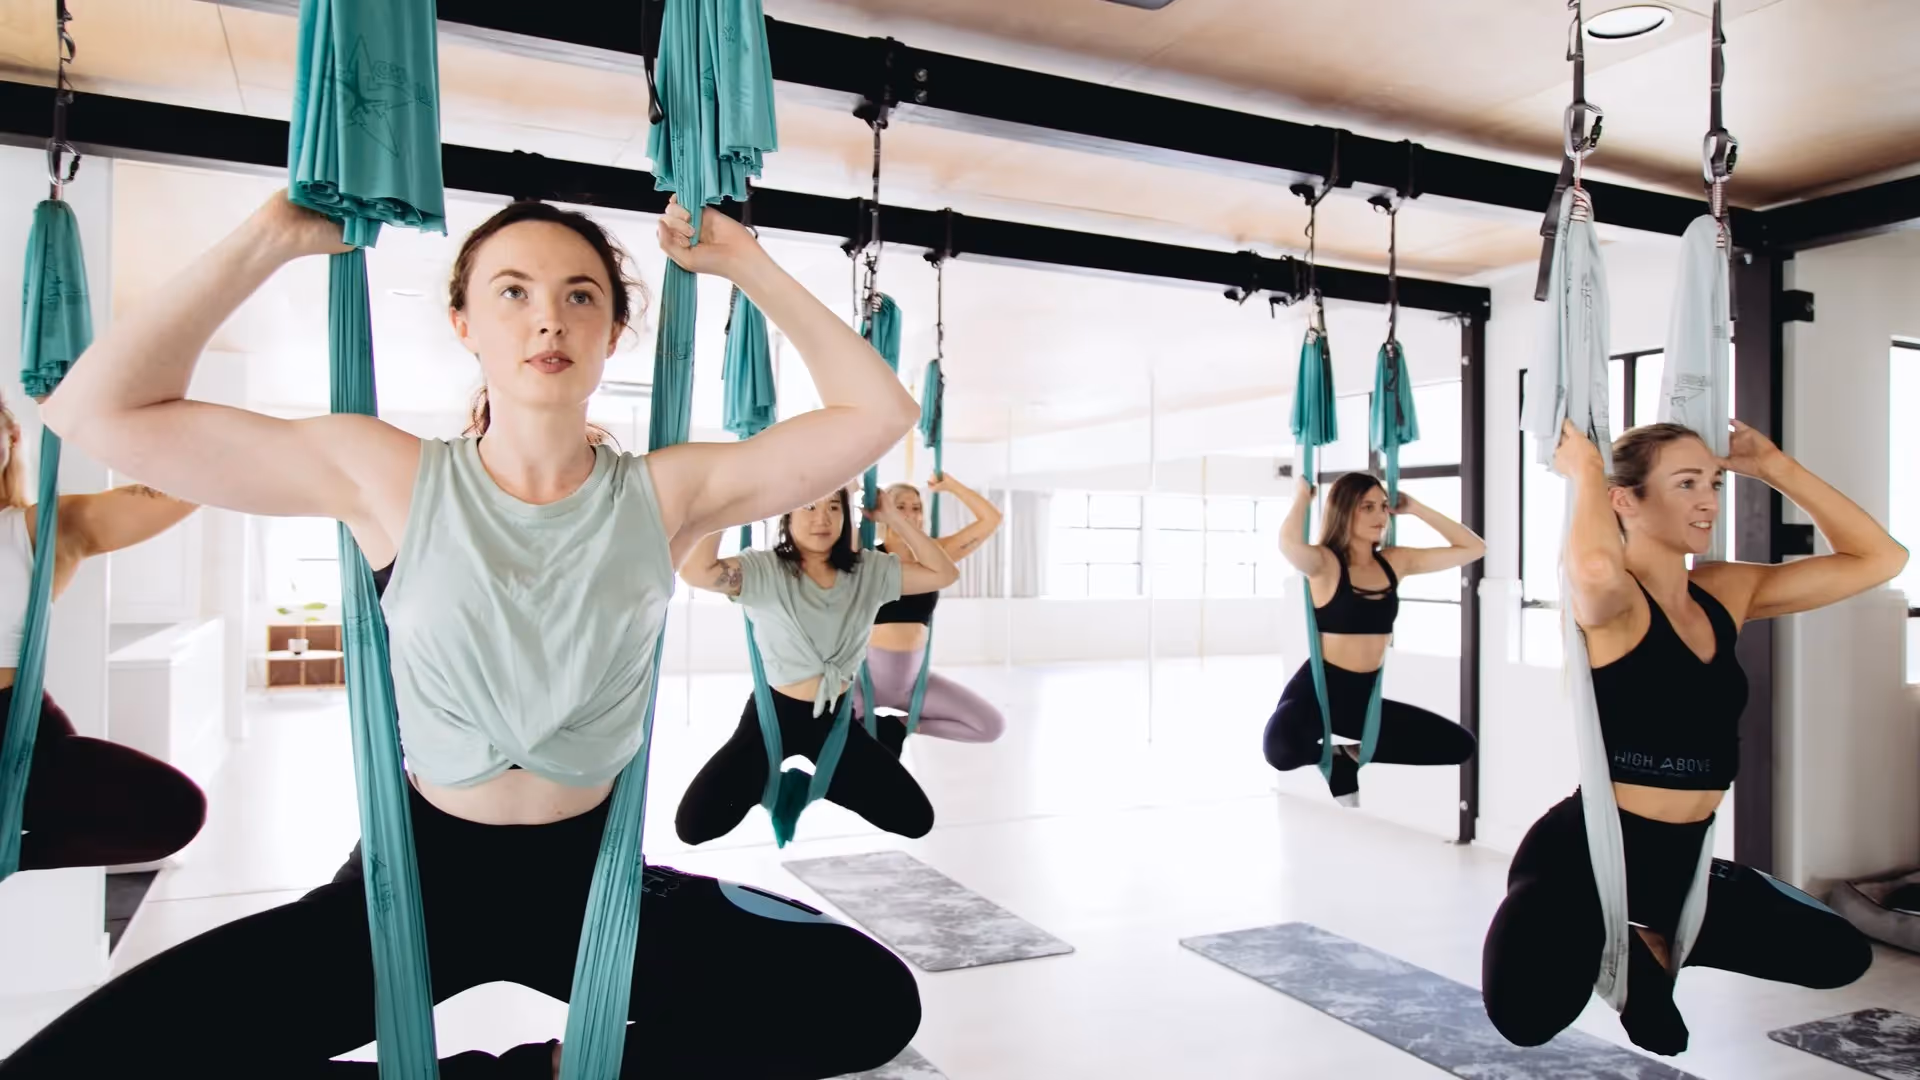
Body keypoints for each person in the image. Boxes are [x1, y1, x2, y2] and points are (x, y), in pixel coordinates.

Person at [2, 194, 923, 1079]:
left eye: (580, 297)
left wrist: (744, 262)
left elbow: (878, 416)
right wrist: (271, 237)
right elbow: (98, 414)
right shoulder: (387, 474)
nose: (548, 322)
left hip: (593, 890)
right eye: (512, 292)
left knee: (869, 1003)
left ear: (613, 333)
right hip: (412, 888)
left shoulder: (667, 492)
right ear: (463, 322)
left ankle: (554, 1071)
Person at [1482, 420, 1904, 1056]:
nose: (1709, 500)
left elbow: (1881, 560)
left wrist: (1774, 468)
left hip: (1682, 865)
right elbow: (1596, 562)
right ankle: (1605, 936)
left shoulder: (1726, 591)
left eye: (1713, 483)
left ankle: (1653, 947)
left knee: (1838, 956)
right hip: (1588, 854)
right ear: (1629, 500)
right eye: (1685, 484)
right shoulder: (1613, 600)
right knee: (1525, 1015)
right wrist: (1587, 474)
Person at [674, 485, 956, 843]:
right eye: (808, 506)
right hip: (771, 717)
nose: (821, 518)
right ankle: (776, 784)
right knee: (695, 827)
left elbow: (943, 574)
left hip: (835, 723)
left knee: (915, 820)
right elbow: (697, 572)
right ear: (787, 514)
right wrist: (729, 505)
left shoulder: (869, 571)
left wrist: (895, 519)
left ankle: (811, 785)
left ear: (845, 515)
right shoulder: (764, 569)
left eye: (833, 507)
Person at [0, 395, 205, 872]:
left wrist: (93, 414)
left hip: (16, 733)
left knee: (172, 811)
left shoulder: (39, 530)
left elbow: (190, 486)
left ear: (12, 438)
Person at [1265, 472, 1485, 805]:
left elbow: (1474, 548)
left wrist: (1416, 508)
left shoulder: (1394, 562)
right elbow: (1288, 544)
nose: (1380, 516)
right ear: (1344, 510)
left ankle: (1347, 755)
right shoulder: (1325, 563)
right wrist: (1301, 497)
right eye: (1367, 507)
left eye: (1382, 506)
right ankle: (1333, 757)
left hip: (1361, 699)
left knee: (1459, 745)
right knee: (1280, 750)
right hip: (1319, 688)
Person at [858, 474, 1006, 751]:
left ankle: (899, 726)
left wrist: (950, 486)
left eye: (916, 508)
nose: (909, 513)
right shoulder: (865, 556)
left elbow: (991, 520)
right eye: (899, 506)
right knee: (813, 729)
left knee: (990, 726)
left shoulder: (937, 555)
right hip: (864, 681)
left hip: (912, 683)